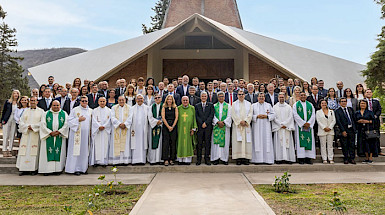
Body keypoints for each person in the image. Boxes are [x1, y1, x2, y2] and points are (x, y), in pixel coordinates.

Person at [38, 100, 69, 175]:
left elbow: (66, 124)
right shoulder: (46, 114)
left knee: (59, 152)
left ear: (60, 106)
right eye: (54, 105)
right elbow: (42, 124)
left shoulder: (64, 114)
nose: (56, 107)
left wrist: (59, 132)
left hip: (59, 136)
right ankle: (47, 170)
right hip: (48, 136)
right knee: (47, 152)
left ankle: (58, 170)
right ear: (51, 105)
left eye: (57, 105)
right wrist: (49, 132)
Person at [16, 96, 44, 175]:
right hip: (26, 133)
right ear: (29, 102)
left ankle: (33, 169)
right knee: (24, 151)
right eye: (31, 101)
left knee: (34, 151)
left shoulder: (41, 111)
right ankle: (23, 169)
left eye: (34, 101)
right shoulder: (25, 111)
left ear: (37, 102)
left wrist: (33, 127)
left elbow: (42, 122)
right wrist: (26, 127)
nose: (32, 102)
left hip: (35, 133)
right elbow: (21, 121)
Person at [65, 96, 92, 175]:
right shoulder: (75, 110)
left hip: (86, 135)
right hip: (76, 134)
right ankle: (75, 168)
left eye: (86, 101)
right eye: (83, 101)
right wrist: (78, 120)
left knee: (84, 151)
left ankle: (83, 168)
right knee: (76, 151)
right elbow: (69, 121)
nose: (84, 102)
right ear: (80, 101)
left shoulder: (90, 111)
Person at [251, 93, 275, 164]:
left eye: (262, 96)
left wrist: (267, 116)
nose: (261, 98)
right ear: (257, 97)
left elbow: (273, 114)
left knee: (266, 141)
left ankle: (267, 159)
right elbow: (250, 115)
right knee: (257, 141)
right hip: (256, 126)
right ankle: (257, 160)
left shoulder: (268, 105)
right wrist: (256, 116)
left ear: (264, 98)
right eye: (260, 96)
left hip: (266, 126)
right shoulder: (253, 106)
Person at [272, 93, 296, 164]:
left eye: (283, 97)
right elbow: (274, 117)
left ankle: (288, 158)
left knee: (287, 143)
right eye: (280, 97)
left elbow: (290, 116)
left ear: (285, 98)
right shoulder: (275, 107)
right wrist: (280, 124)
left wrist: (285, 124)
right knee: (279, 144)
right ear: (278, 98)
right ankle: (279, 159)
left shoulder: (288, 107)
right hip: (279, 128)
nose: (281, 98)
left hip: (286, 128)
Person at [293, 92, 316, 165]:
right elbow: (295, 115)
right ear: (299, 96)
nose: (303, 96)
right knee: (301, 141)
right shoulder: (296, 105)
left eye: (304, 95)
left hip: (309, 126)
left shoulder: (310, 105)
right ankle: (301, 158)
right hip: (300, 127)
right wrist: (303, 123)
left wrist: (309, 123)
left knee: (309, 141)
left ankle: (308, 158)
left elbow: (313, 114)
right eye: (301, 95)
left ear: (306, 96)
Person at [231, 90, 253, 165]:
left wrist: (246, 121)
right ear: (237, 95)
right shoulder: (234, 104)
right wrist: (239, 121)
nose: (241, 95)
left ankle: (246, 158)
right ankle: (238, 159)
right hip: (238, 126)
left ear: (244, 95)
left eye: (242, 94)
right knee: (238, 142)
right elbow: (233, 114)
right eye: (239, 94)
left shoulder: (248, 104)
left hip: (246, 126)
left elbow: (250, 113)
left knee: (247, 142)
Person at [110, 95, 133, 165]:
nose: (121, 101)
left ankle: (125, 161)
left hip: (125, 128)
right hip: (117, 128)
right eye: (120, 100)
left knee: (125, 144)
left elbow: (130, 117)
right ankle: (117, 161)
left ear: (125, 100)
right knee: (117, 143)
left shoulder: (129, 108)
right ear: (117, 101)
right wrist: (119, 124)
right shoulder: (114, 108)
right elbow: (112, 117)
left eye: (123, 100)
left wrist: (125, 124)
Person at [211, 91, 232, 165]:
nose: (221, 98)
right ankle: (216, 158)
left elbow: (229, 116)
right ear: (217, 97)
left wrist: (224, 122)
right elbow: (212, 115)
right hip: (217, 127)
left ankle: (224, 158)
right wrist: (217, 122)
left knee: (225, 143)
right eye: (219, 96)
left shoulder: (228, 106)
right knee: (216, 144)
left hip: (224, 127)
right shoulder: (214, 106)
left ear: (224, 97)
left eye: (222, 96)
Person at [90, 97, 111, 167]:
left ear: (106, 102)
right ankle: (96, 161)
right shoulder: (94, 110)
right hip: (97, 131)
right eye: (101, 101)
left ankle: (104, 162)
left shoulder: (109, 111)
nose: (102, 103)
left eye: (103, 101)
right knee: (97, 146)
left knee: (105, 146)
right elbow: (93, 120)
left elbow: (110, 120)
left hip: (105, 131)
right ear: (98, 102)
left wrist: (104, 126)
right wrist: (99, 126)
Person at [129, 94, 149, 165]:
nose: (140, 100)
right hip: (135, 129)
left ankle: (142, 160)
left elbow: (149, 118)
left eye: (141, 99)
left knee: (143, 144)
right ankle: (135, 160)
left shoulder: (147, 108)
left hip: (144, 130)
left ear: (143, 100)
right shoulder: (132, 108)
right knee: (135, 144)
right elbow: (129, 119)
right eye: (138, 99)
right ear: (136, 100)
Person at [195, 92, 215, 166]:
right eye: (202, 96)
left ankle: (207, 159)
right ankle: (199, 159)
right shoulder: (197, 106)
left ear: (207, 97)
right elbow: (196, 116)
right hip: (200, 127)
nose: (203, 97)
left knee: (207, 143)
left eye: (205, 96)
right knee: (199, 144)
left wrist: (206, 123)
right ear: (200, 97)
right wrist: (201, 123)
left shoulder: (210, 105)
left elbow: (211, 115)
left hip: (208, 127)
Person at [335, 97, 357, 164]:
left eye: (345, 101)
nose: (344, 102)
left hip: (351, 129)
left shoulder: (350, 109)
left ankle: (352, 158)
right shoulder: (337, 111)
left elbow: (354, 119)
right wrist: (343, 131)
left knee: (352, 145)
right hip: (344, 130)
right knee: (345, 145)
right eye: (342, 101)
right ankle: (346, 158)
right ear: (339, 103)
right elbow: (338, 121)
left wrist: (354, 128)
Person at [176, 96, 197, 165]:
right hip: (180, 129)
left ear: (189, 101)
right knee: (180, 143)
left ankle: (187, 160)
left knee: (188, 143)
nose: (185, 102)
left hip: (189, 129)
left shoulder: (192, 108)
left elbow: (194, 118)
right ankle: (180, 160)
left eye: (186, 100)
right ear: (181, 101)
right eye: (184, 100)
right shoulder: (178, 108)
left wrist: (193, 129)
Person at [1, 90, 20, 157]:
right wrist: (1, 121)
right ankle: (4, 150)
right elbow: (4, 111)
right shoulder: (8, 102)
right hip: (7, 120)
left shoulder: (19, 103)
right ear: (12, 94)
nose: (16, 95)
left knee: (12, 136)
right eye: (14, 93)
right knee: (6, 135)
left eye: (17, 93)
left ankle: (10, 150)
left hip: (15, 121)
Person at [316, 99, 336, 164]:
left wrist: (330, 127)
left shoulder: (331, 111)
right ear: (320, 104)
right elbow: (318, 121)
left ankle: (330, 158)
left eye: (325, 103)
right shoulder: (318, 112)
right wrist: (324, 127)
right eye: (322, 103)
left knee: (330, 145)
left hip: (330, 130)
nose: (324, 104)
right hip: (322, 130)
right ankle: (324, 159)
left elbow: (334, 120)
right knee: (323, 145)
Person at [161, 95, 178, 166]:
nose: (169, 101)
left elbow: (176, 117)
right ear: (166, 100)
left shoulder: (175, 107)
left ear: (172, 100)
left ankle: (172, 159)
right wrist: (168, 126)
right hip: (166, 126)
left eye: (171, 99)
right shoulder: (164, 107)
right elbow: (163, 117)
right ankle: (165, 159)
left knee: (173, 143)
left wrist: (173, 126)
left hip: (173, 126)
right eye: (168, 99)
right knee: (166, 143)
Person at [365, 89, 383, 156]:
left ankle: (378, 150)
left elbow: (379, 109)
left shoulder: (376, 101)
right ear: (365, 94)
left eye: (370, 92)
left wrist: (375, 116)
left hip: (375, 121)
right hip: (366, 121)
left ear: (372, 93)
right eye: (367, 92)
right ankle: (368, 152)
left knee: (376, 136)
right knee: (367, 137)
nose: (368, 93)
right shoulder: (363, 102)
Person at [148, 95, 164, 165]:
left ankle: (160, 159)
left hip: (161, 127)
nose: (157, 99)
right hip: (153, 127)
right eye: (155, 98)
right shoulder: (151, 107)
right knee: (153, 142)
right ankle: (153, 159)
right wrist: (156, 122)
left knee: (161, 143)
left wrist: (161, 121)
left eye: (158, 97)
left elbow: (166, 115)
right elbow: (150, 116)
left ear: (161, 98)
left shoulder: (164, 106)